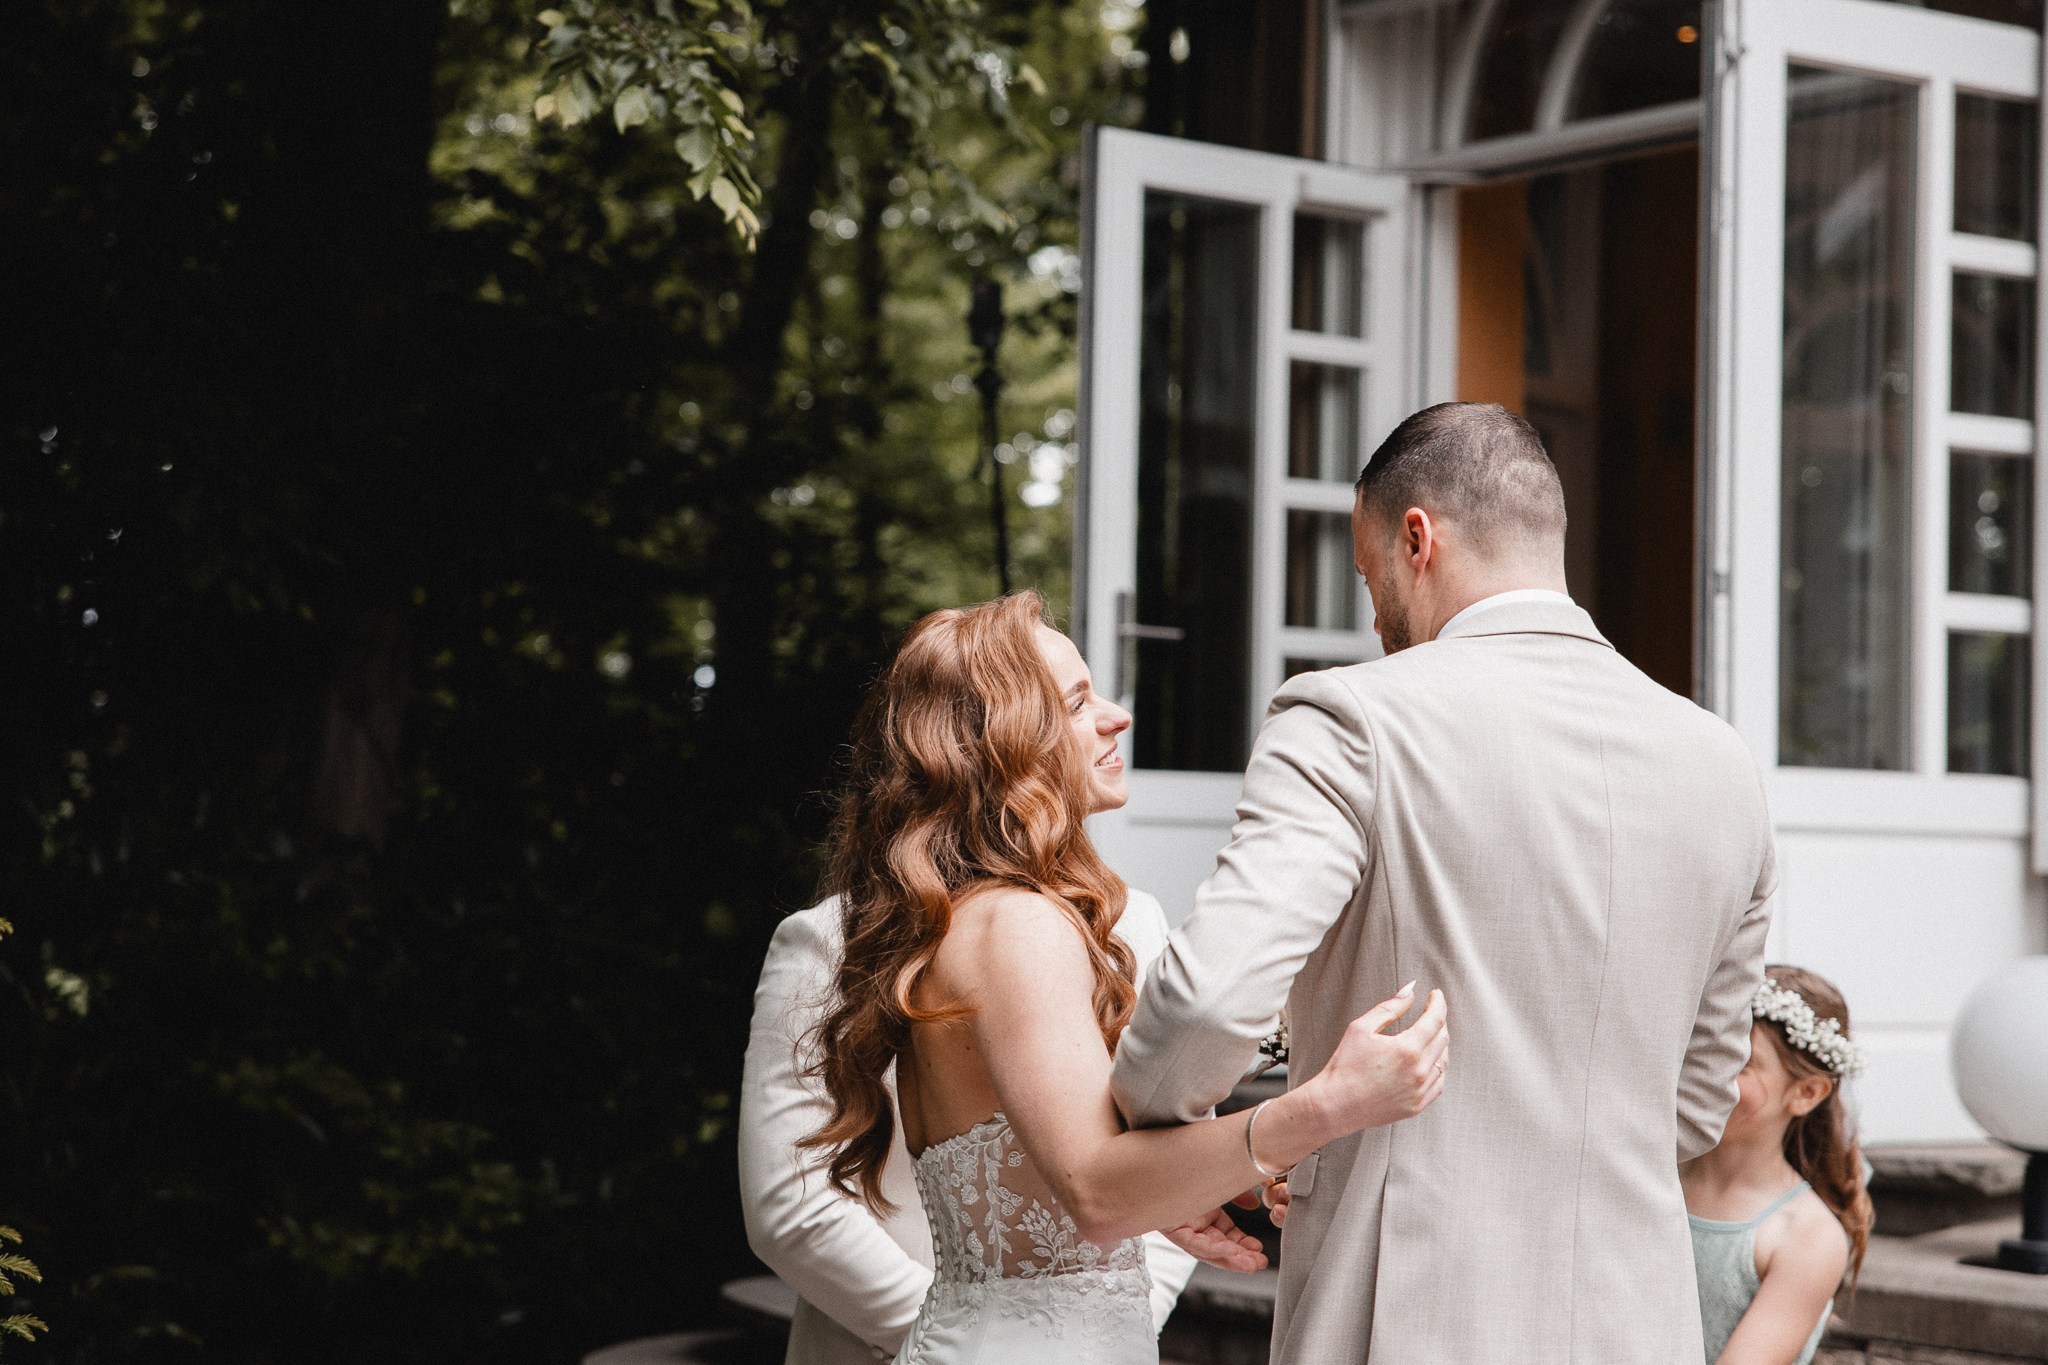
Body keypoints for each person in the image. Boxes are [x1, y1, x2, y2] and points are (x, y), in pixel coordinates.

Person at [1110, 402, 1778, 1363]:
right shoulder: (1724, 765)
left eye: (1366, 572)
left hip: (1406, 1312)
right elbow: (1699, 1097)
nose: (1373, 611)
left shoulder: (1350, 719)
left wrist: (1176, 1153)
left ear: (1415, 538)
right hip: (1639, 1320)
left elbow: (1209, 998)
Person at [800, 591, 1448, 1365]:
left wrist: (1179, 1183)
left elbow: (1053, 1175)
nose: (1116, 716)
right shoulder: (1018, 926)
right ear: (1001, 745)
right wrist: (1325, 1105)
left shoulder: (964, 918)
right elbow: (1098, 1193)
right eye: (1077, 703)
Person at [739, 862, 1201, 1352]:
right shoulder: (835, 937)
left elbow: (1176, 1161)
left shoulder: (1133, 920)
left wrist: (1092, 1333)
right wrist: (967, 1341)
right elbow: (793, 1202)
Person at [1682, 966, 1871, 1365]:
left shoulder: (1806, 1237)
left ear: (1805, 1092)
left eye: (1740, 1061)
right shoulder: (1661, 1176)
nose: (1710, 1077)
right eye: (1707, 1052)